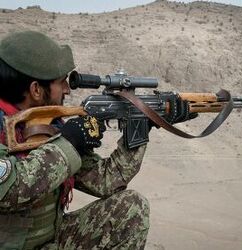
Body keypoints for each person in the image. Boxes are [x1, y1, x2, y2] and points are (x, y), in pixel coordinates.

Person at [0, 31, 195, 250]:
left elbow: (106, 181)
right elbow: (9, 191)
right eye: (62, 81)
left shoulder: (51, 126)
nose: (67, 88)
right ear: (36, 89)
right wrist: (70, 143)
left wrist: (143, 123)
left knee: (131, 207)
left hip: (50, 237)